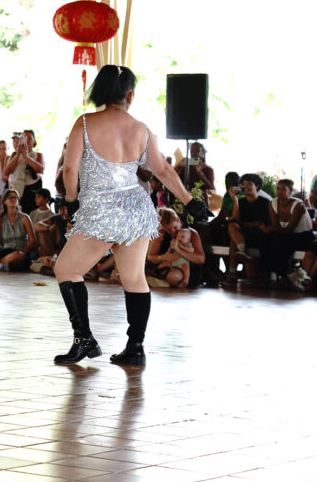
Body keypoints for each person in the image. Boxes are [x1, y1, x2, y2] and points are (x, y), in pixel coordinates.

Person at [52, 65, 209, 367]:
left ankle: (84, 339)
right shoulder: (141, 129)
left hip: (101, 211)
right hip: (137, 208)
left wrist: (71, 202)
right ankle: (135, 347)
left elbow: (69, 169)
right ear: (130, 95)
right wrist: (190, 202)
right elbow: (163, 170)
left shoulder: (85, 123)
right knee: (135, 279)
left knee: (67, 270)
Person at [259, 178, 313, 284]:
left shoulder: (298, 205)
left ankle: (284, 274)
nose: (279, 192)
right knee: (266, 238)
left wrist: (269, 229)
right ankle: (265, 272)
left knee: (279, 239)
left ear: (290, 191)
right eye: (278, 188)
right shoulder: (273, 203)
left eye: (283, 189)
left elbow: (290, 228)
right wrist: (269, 229)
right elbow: (275, 225)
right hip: (284, 235)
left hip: (303, 236)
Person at [222, 173, 271, 287]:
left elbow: (261, 224)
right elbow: (235, 219)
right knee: (232, 226)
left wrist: (247, 224)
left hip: (258, 236)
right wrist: (234, 199)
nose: (246, 187)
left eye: (249, 184)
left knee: (234, 241)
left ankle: (232, 272)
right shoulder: (241, 202)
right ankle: (241, 253)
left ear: (257, 186)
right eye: (243, 184)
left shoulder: (265, 202)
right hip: (243, 236)